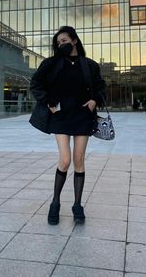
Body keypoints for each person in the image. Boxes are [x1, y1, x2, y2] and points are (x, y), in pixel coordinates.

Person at [29, 26, 106, 225]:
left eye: (64, 41)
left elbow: (100, 86)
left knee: (79, 160)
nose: (61, 45)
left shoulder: (89, 65)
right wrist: (48, 102)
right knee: (64, 160)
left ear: (74, 41)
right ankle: (55, 203)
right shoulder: (51, 63)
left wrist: (94, 101)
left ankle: (77, 205)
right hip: (61, 116)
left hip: (82, 115)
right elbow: (36, 84)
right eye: (58, 43)